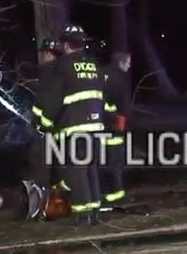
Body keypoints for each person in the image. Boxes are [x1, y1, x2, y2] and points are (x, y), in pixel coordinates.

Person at [38, 24, 105, 224]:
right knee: (90, 169)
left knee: (75, 171)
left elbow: (53, 101)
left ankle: (83, 215)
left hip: (75, 128)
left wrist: (44, 124)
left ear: (66, 45)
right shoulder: (93, 65)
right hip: (96, 127)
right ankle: (95, 212)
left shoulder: (61, 67)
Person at [23, 37, 63, 220]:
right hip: (65, 130)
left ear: (47, 54)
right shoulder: (64, 71)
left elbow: (45, 104)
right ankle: (55, 202)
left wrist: (40, 125)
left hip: (48, 132)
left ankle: (42, 207)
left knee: (39, 163)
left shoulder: (47, 73)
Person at [100, 50, 132, 212]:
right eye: (127, 62)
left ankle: (103, 193)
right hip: (113, 126)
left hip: (97, 125)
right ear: (120, 63)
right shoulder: (118, 79)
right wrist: (123, 125)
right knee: (116, 161)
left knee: (102, 161)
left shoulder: (101, 74)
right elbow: (124, 106)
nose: (129, 66)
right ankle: (116, 195)